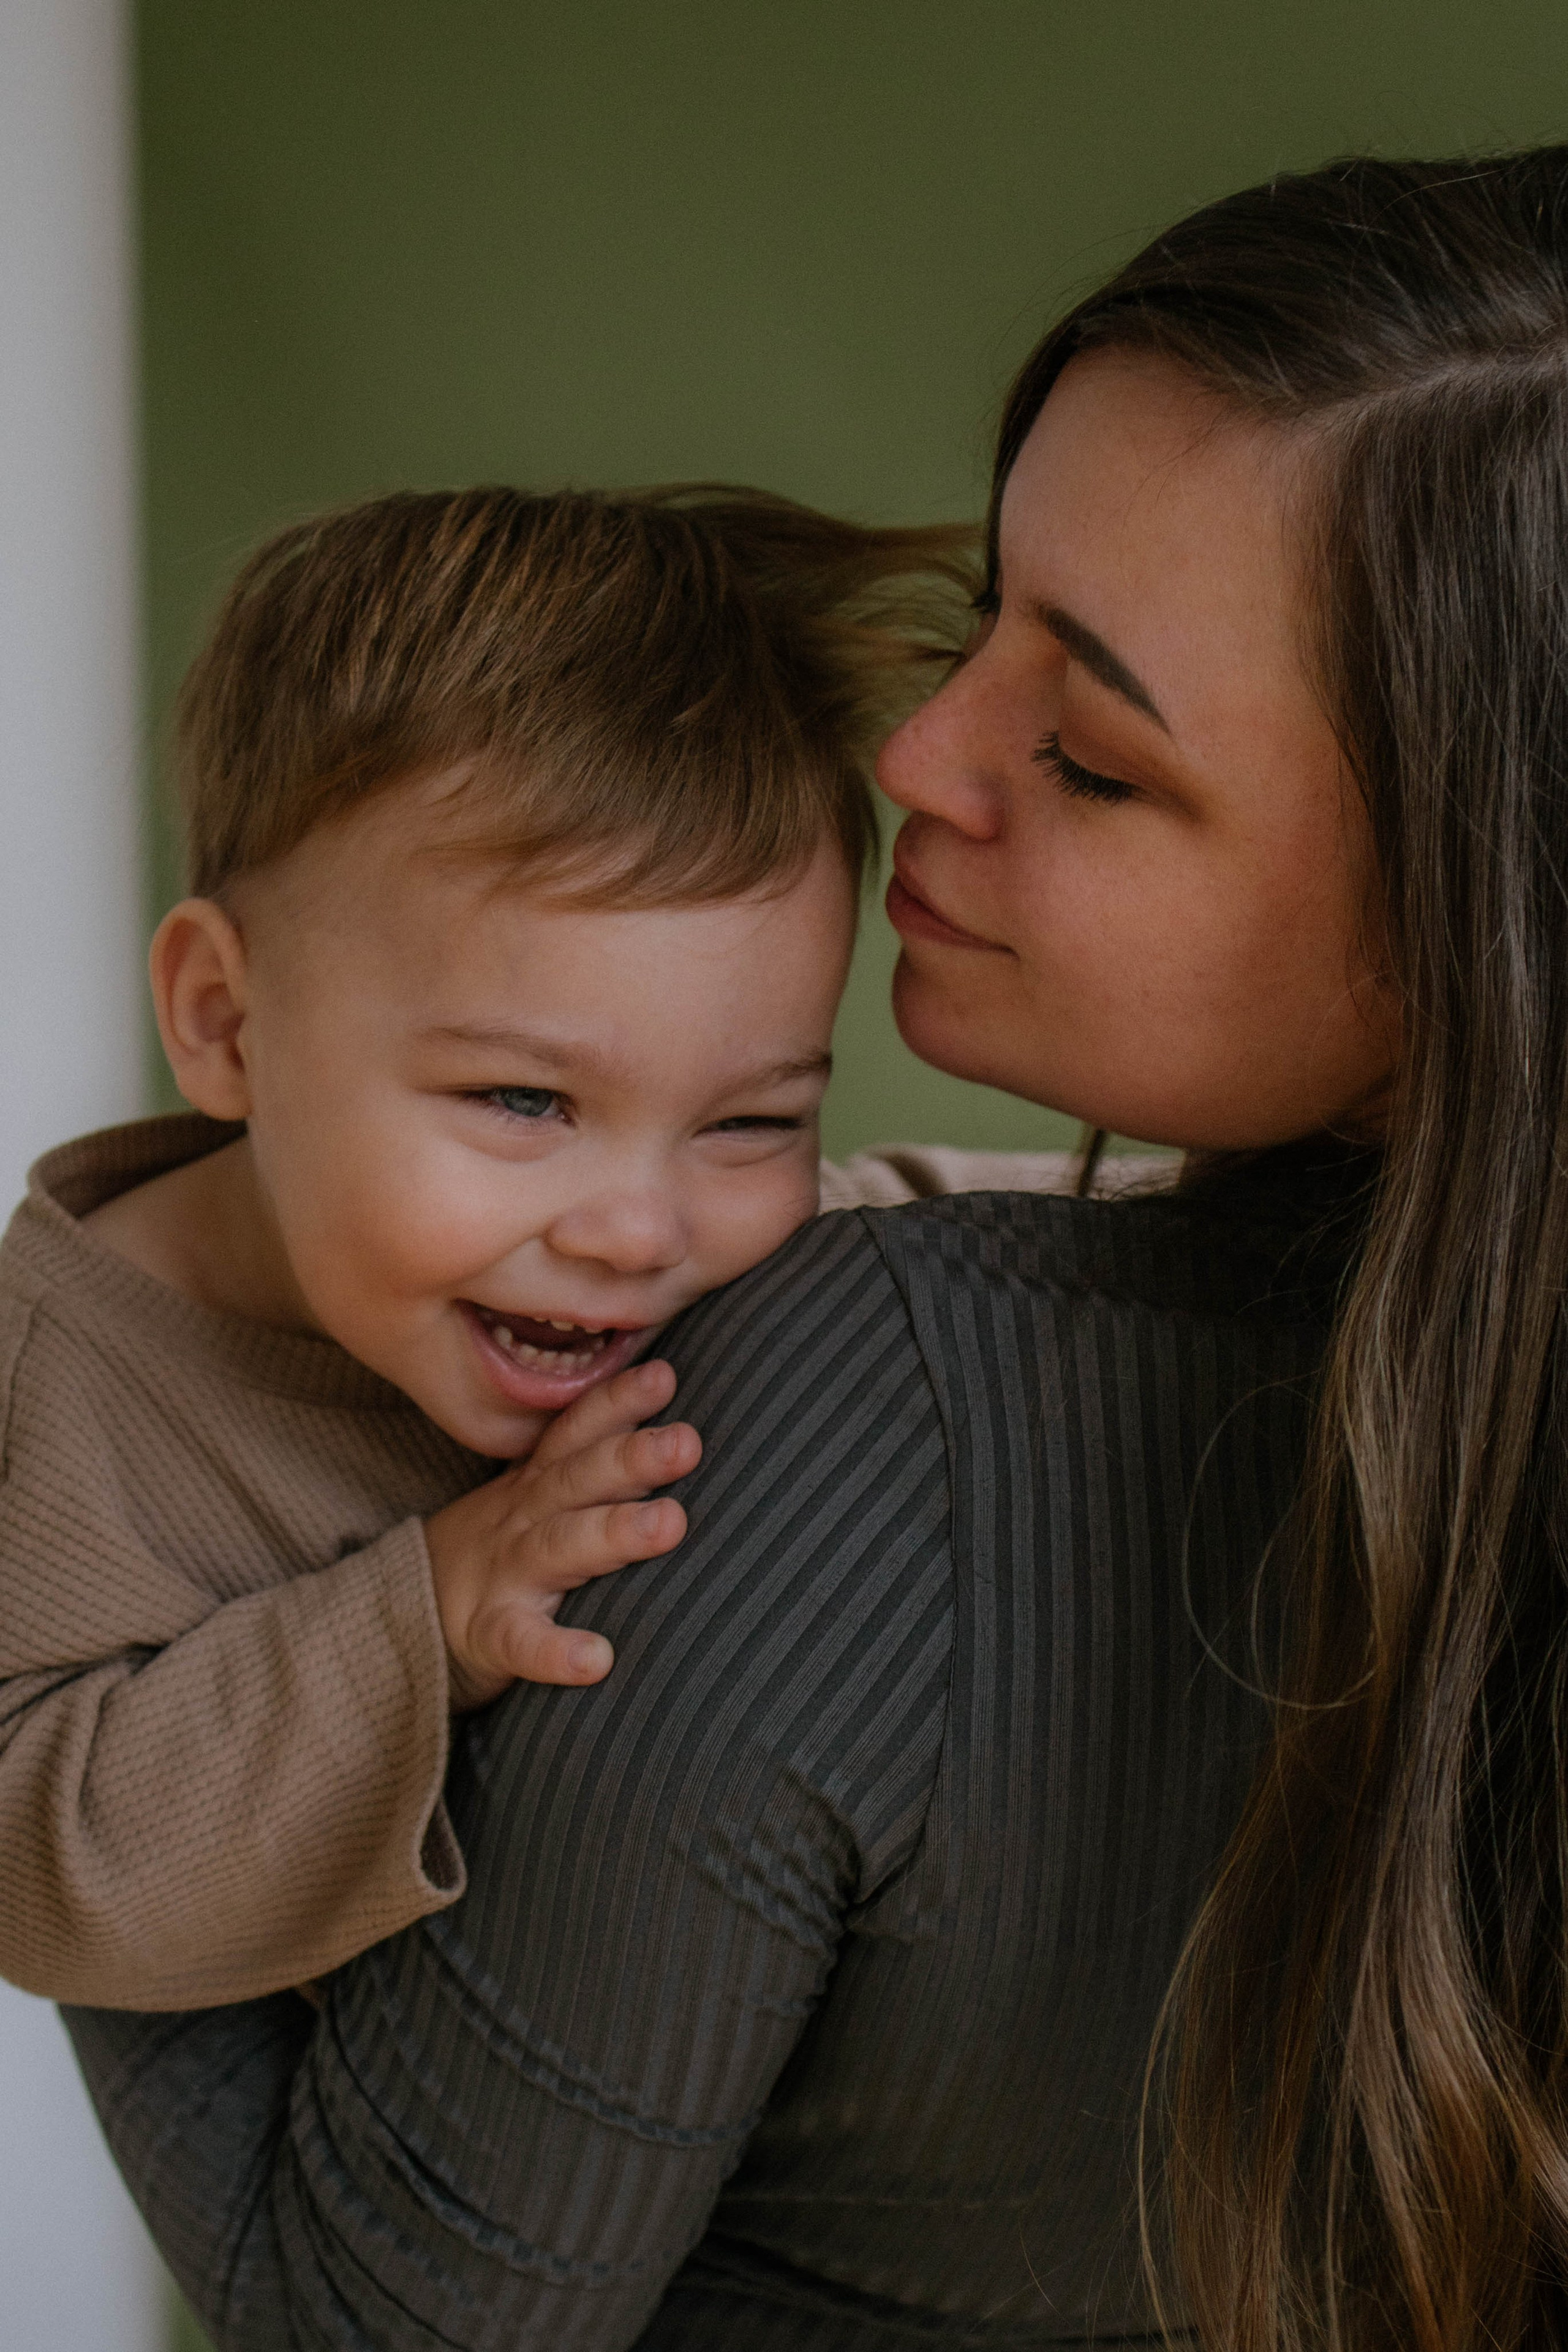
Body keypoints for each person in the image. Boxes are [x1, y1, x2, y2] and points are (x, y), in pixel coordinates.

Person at [68, 143, 1568, 2350]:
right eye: (984, 627)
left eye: (1087, 756)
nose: (915, 753)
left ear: (1475, 923)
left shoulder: (858, 1401)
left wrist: (115, 1597)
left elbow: (378, 2320)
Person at [0, 482, 1016, 2011]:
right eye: (525, 1100)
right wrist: (427, 1608)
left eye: (747, 1124)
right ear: (227, 1022)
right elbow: (49, 1875)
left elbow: (941, 1240)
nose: (636, 1230)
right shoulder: (58, 1400)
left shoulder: (721, 1267)